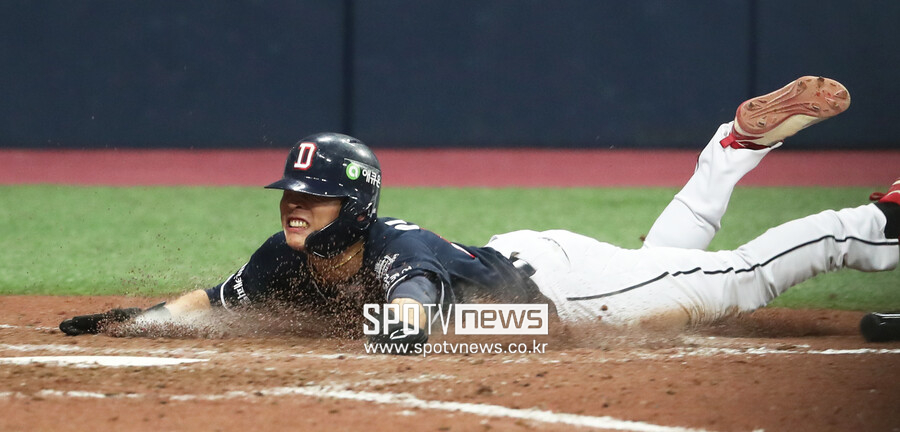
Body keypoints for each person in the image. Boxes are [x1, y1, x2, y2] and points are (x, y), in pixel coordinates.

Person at [60, 76, 900, 350]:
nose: (292, 205)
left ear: (353, 206)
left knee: (733, 285)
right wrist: (129, 323)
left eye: (310, 197)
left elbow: (413, 322)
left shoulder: (401, 253)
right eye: (289, 194)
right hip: (537, 266)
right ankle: (733, 148)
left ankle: (874, 224)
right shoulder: (287, 254)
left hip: (576, 294)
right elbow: (212, 300)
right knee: (668, 266)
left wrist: (378, 330)